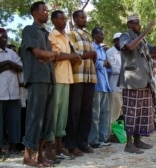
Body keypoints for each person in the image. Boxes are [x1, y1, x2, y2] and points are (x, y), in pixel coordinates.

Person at [118, 13, 156, 154]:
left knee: (142, 113)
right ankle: (129, 143)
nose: (139, 25)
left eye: (139, 23)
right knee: (131, 113)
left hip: (145, 81)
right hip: (131, 82)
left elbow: (155, 52)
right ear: (129, 24)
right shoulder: (125, 36)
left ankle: (138, 140)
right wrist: (146, 32)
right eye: (136, 23)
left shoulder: (142, 41)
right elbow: (129, 47)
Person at [20, 1, 59, 166]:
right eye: (43, 10)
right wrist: (50, 54)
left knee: (47, 119)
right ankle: (27, 155)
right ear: (35, 13)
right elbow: (37, 53)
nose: (46, 13)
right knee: (35, 117)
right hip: (37, 78)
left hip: (49, 78)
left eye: (47, 10)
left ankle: (39, 155)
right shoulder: (30, 30)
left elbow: (48, 55)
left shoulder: (45, 33)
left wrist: (50, 55)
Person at [45, 10, 82, 160]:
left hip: (67, 78)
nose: (64, 21)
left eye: (64, 19)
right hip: (56, 78)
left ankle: (60, 147)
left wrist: (74, 58)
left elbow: (68, 56)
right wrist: (73, 56)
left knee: (62, 116)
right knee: (53, 114)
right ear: (53, 21)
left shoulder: (66, 37)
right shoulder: (51, 35)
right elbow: (55, 56)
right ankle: (49, 149)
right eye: (60, 19)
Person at [65, 10, 97, 156]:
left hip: (90, 77)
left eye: (85, 17)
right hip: (77, 77)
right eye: (82, 17)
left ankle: (83, 142)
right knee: (74, 112)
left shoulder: (87, 35)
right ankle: (71, 145)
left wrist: (92, 56)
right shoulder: (71, 34)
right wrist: (90, 55)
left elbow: (93, 56)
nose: (85, 19)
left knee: (86, 112)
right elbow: (75, 55)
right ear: (75, 19)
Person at [88, 27, 112, 148]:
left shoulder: (103, 50)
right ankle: (94, 139)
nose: (102, 36)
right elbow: (93, 64)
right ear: (95, 35)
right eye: (101, 34)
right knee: (95, 114)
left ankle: (104, 138)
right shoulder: (91, 47)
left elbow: (108, 67)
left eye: (103, 34)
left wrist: (107, 64)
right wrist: (103, 63)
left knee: (105, 113)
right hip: (96, 85)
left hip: (105, 85)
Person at [0, 28, 22, 156]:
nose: (4, 39)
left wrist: (6, 65)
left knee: (14, 121)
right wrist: (8, 63)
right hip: (0, 93)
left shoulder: (11, 52)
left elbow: (20, 67)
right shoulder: (10, 57)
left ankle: (13, 146)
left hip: (13, 93)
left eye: (6, 37)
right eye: (2, 37)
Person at [106, 32, 123, 140]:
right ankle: (110, 133)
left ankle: (118, 133)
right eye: (119, 40)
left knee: (121, 111)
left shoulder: (124, 52)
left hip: (123, 87)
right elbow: (114, 69)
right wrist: (127, 69)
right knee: (114, 111)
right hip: (114, 86)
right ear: (115, 41)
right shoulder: (110, 52)